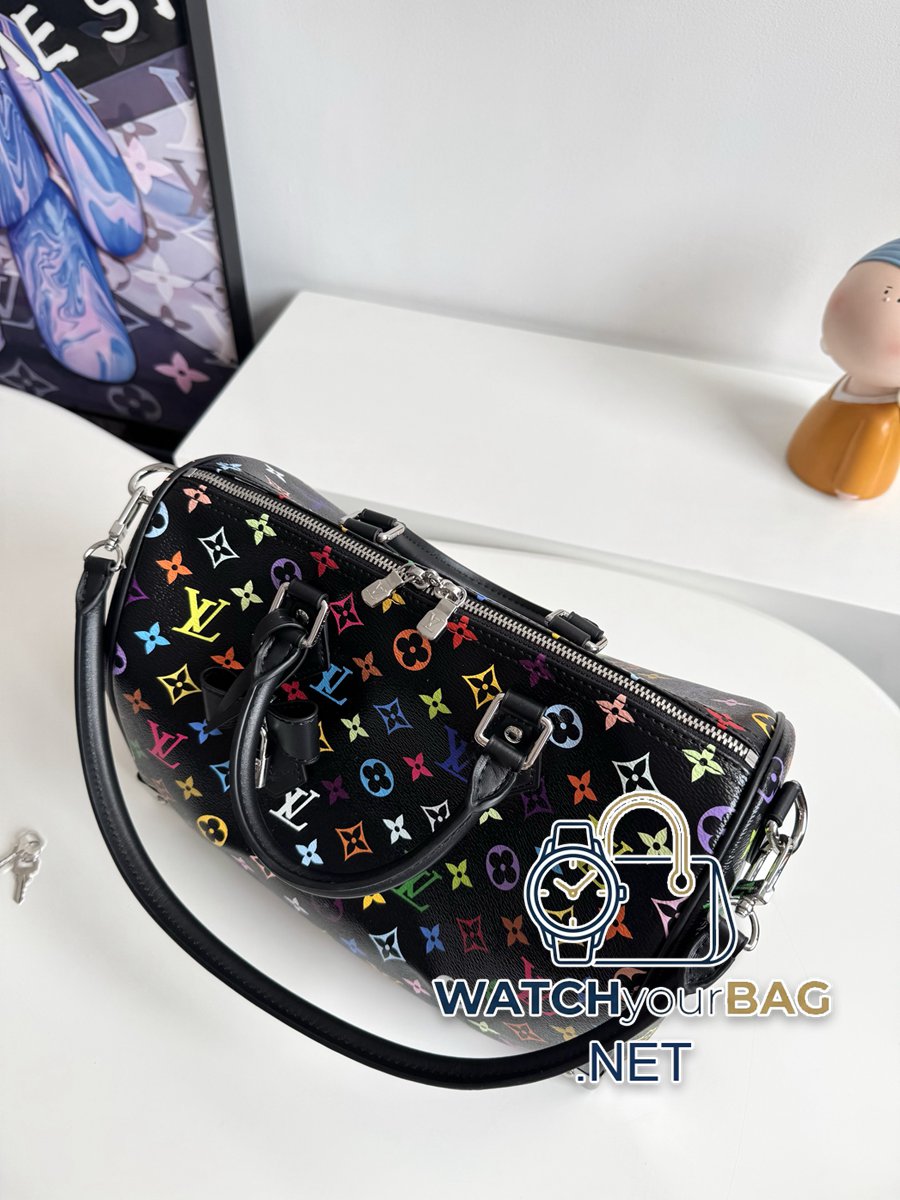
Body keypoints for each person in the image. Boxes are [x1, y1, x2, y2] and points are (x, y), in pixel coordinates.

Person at [787, 238, 900, 500]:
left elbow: (862, 468)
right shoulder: (851, 382)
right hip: (803, 456)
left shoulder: (881, 420)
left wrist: (850, 488)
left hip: (826, 480)